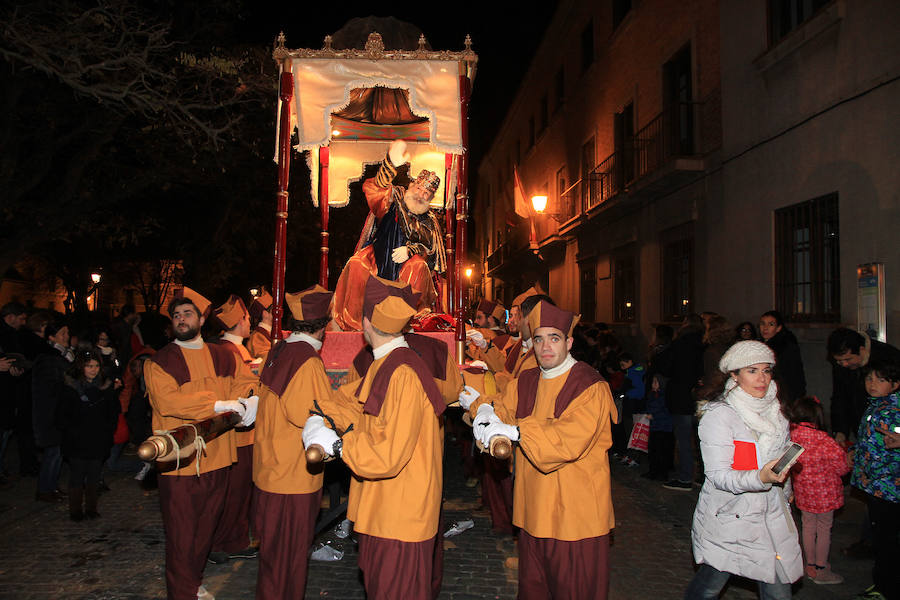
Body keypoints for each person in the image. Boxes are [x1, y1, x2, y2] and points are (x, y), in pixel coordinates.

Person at [460, 300, 616, 599]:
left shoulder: (590, 386)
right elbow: (501, 408)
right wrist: (481, 409)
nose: (545, 347)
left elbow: (568, 439)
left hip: (575, 519)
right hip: (532, 512)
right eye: (540, 338)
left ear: (569, 342)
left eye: (554, 338)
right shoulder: (528, 379)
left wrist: (517, 431)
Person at [303, 275, 446, 600]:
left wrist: (338, 445)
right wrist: (320, 415)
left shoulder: (402, 372)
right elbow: (354, 402)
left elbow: (387, 454)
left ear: (366, 321)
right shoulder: (390, 363)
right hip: (386, 510)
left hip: (399, 516)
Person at [143, 286, 258, 600]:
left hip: (219, 457)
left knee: (205, 529)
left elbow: (248, 382)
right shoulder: (160, 361)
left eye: (187, 314)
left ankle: (192, 582)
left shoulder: (222, 354)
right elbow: (169, 402)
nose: (182, 319)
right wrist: (218, 403)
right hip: (181, 462)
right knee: (182, 532)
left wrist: (248, 402)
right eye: (177, 315)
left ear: (200, 319)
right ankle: (182, 591)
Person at [684, 340, 802, 599]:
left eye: (766, 370)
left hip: (770, 515)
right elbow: (718, 476)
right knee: (710, 585)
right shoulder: (719, 416)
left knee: (779, 590)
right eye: (752, 370)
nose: (762, 378)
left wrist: (786, 488)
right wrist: (761, 477)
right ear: (734, 375)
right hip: (730, 516)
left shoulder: (776, 410)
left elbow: (780, 458)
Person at [253, 284, 335, 600]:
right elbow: (312, 415)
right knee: (289, 559)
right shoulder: (308, 361)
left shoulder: (279, 350)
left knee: (273, 558)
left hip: (269, 469)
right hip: (292, 477)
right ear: (323, 326)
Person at [332, 139, 447, 331]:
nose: (421, 194)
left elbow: (431, 247)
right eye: (419, 188)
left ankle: (408, 324)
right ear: (412, 185)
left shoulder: (429, 219)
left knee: (418, 267)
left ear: (431, 198)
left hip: (407, 265)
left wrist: (410, 250)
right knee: (356, 264)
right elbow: (376, 190)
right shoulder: (396, 195)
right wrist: (390, 164)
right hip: (377, 255)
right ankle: (354, 325)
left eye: (427, 193)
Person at [207, 295, 259, 564]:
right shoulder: (231, 352)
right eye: (248, 318)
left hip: (240, 434)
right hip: (238, 435)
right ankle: (225, 542)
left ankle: (232, 540)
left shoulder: (229, 349)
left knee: (237, 492)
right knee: (234, 492)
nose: (250, 322)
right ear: (240, 321)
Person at [849, 358, 900, 600]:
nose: (872, 384)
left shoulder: (894, 411)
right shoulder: (875, 406)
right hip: (875, 484)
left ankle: (887, 588)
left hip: (889, 487)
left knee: (888, 541)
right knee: (881, 538)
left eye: (881, 380)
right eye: (869, 378)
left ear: (896, 384)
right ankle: (882, 584)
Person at [788, 395, 849, 584]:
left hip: (803, 494)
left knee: (807, 527)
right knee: (823, 529)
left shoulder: (790, 437)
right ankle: (821, 569)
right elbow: (842, 467)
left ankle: (810, 565)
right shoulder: (825, 440)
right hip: (825, 496)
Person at [57, 349, 120, 521]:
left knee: (94, 474)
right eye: (89, 366)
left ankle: (92, 508)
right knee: (77, 474)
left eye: (96, 366)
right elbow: (63, 415)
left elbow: (113, 411)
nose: (93, 369)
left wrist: (108, 430)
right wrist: (71, 431)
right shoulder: (71, 388)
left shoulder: (105, 387)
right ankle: (75, 510)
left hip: (98, 438)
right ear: (81, 367)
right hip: (77, 439)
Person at [656, 314, 705, 491]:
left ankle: (685, 477)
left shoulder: (680, 344)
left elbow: (664, 365)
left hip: (681, 397)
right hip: (700, 398)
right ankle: (703, 475)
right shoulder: (705, 343)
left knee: (684, 440)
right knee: (702, 441)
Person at [827, 327, 900, 443]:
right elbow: (839, 397)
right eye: (839, 361)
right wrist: (840, 431)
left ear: (862, 350)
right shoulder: (841, 365)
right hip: (862, 434)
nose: (844, 364)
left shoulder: (889, 358)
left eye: (848, 359)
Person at [32, 318, 74, 502]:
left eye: (67, 333)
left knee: (58, 452)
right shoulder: (49, 359)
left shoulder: (63, 356)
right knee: (53, 452)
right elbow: (50, 388)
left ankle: (51, 486)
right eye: (62, 334)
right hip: (51, 413)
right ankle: (45, 489)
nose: (66, 337)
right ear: (52, 337)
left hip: (60, 412)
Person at [759, 310, 806, 404]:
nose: (765, 328)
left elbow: (794, 374)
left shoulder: (785, 346)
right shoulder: (759, 345)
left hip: (783, 394)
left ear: (778, 328)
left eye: (771, 324)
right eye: (762, 324)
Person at [644, 373, 674, 481]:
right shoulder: (652, 394)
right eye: (653, 382)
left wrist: (654, 416)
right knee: (653, 450)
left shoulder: (665, 396)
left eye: (656, 382)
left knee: (662, 451)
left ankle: (662, 473)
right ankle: (653, 471)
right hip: (654, 427)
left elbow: (666, 411)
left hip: (663, 427)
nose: (653, 384)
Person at [247, 289, 274, 363]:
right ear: (265, 313)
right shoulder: (258, 336)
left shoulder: (270, 332)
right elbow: (268, 358)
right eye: (274, 310)